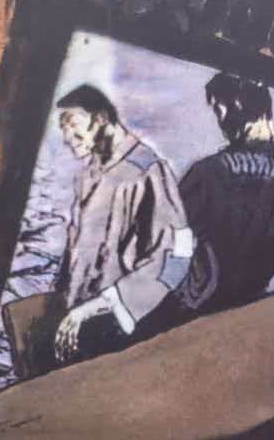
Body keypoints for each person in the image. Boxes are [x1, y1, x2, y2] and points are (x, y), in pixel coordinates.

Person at [43, 83, 195, 368]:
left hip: (124, 333)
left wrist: (96, 307)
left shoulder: (148, 170)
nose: (67, 137)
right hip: (77, 326)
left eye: (72, 125)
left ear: (101, 118)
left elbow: (176, 257)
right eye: (63, 129)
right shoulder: (89, 175)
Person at [171, 70, 274, 330]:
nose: (220, 120)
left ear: (238, 103)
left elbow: (161, 241)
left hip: (189, 311)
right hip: (248, 311)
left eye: (218, 108)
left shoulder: (211, 174)